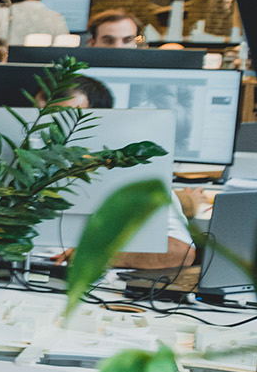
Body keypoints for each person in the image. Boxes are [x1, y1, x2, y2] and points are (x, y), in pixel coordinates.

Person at [40, 77, 197, 272]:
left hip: (84, 287)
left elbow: (180, 252)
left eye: (64, 119)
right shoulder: (5, 166)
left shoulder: (133, 174)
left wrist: (93, 255)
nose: (45, 130)